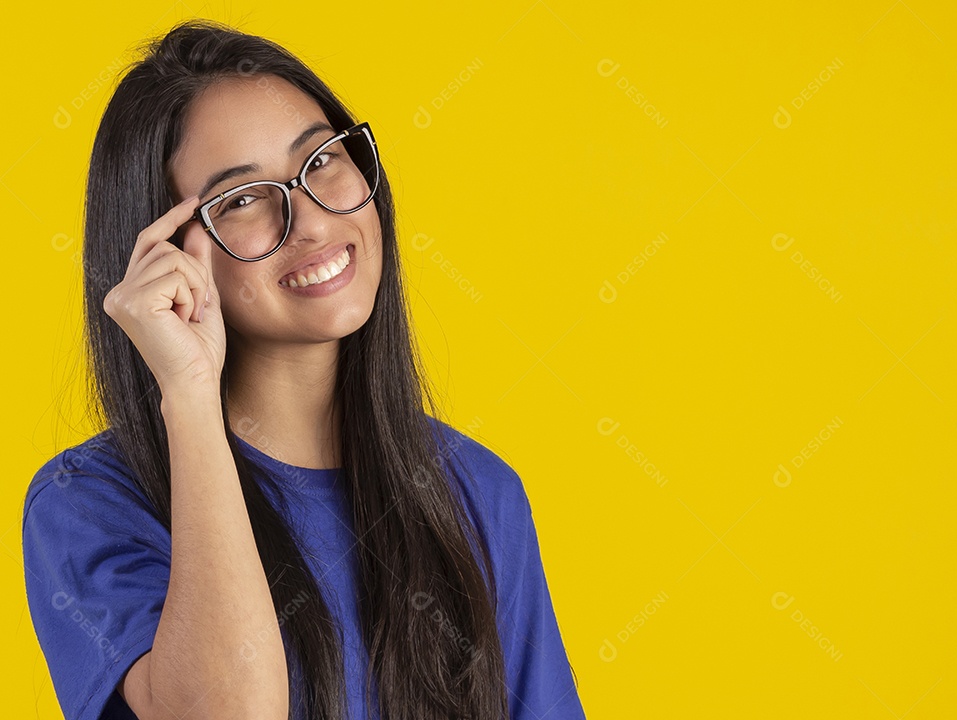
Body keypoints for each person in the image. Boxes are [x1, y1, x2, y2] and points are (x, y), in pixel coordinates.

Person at [22, 18, 586, 720]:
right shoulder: (88, 504)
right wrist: (190, 397)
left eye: (321, 162)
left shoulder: (476, 492)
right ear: (163, 251)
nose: (313, 222)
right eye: (243, 198)